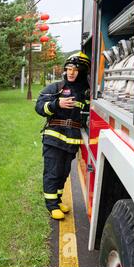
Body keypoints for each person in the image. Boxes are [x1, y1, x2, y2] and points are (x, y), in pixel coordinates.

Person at [35, 52, 91, 220]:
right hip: (54, 137)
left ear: (82, 71)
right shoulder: (57, 87)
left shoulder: (86, 93)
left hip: (72, 141)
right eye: (68, 69)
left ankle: (57, 200)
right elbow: (39, 107)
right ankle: (51, 206)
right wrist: (55, 104)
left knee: (64, 173)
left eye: (75, 69)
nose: (71, 72)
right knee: (53, 171)